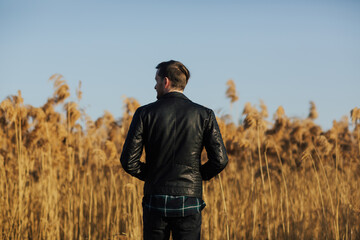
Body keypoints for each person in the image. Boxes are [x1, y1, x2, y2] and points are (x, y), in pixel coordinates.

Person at [120, 60, 228, 240]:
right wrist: (197, 175)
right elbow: (220, 160)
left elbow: (128, 161)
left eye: (157, 80)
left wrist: (153, 175)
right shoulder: (204, 114)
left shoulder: (144, 113)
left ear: (166, 82)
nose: (155, 86)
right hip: (189, 200)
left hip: (156, 199)